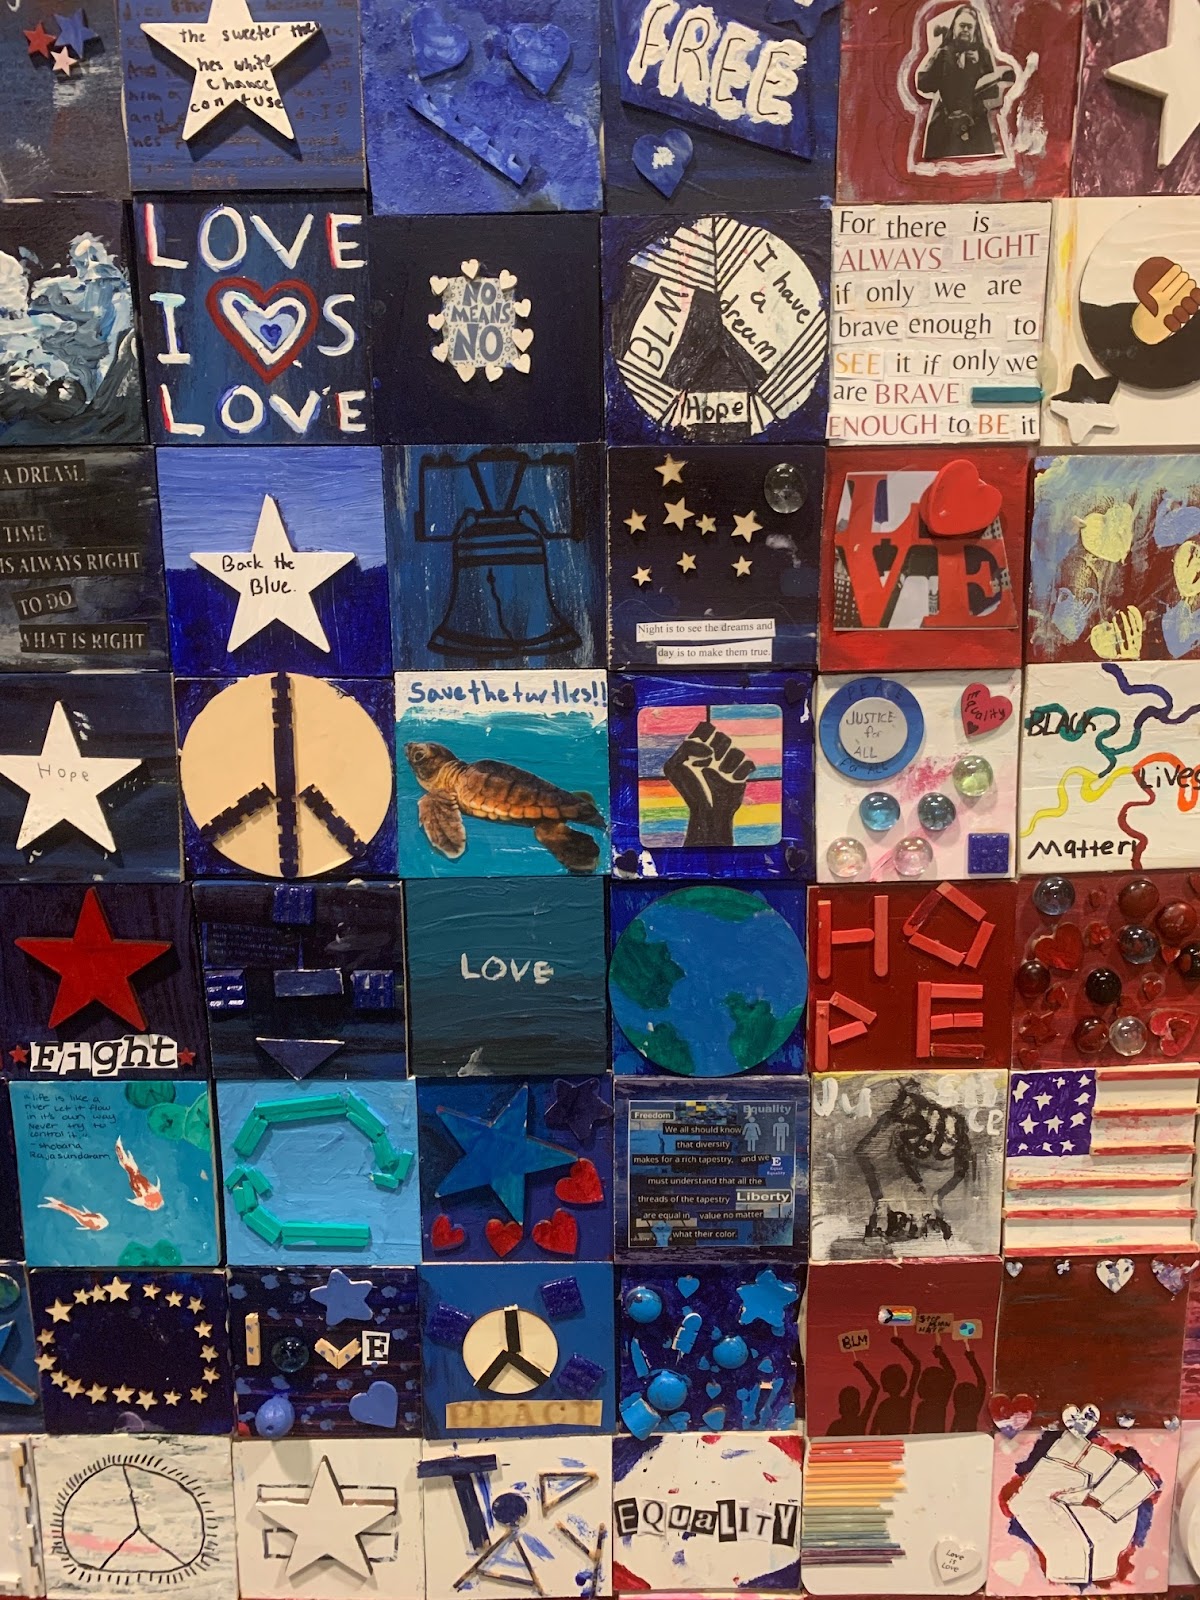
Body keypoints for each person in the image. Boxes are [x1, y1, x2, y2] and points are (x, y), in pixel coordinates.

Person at [915, 5, 1014, 160]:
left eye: (970, 27)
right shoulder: (942, 53)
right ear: (954, 27)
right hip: (945, 124)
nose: (966, 30)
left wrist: (979, 68)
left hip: (976, 125)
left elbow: (993, 93)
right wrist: (941, 66)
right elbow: (923, 85)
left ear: (975, 30)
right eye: (962, 26)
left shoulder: (983, 54)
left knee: (979, 165)